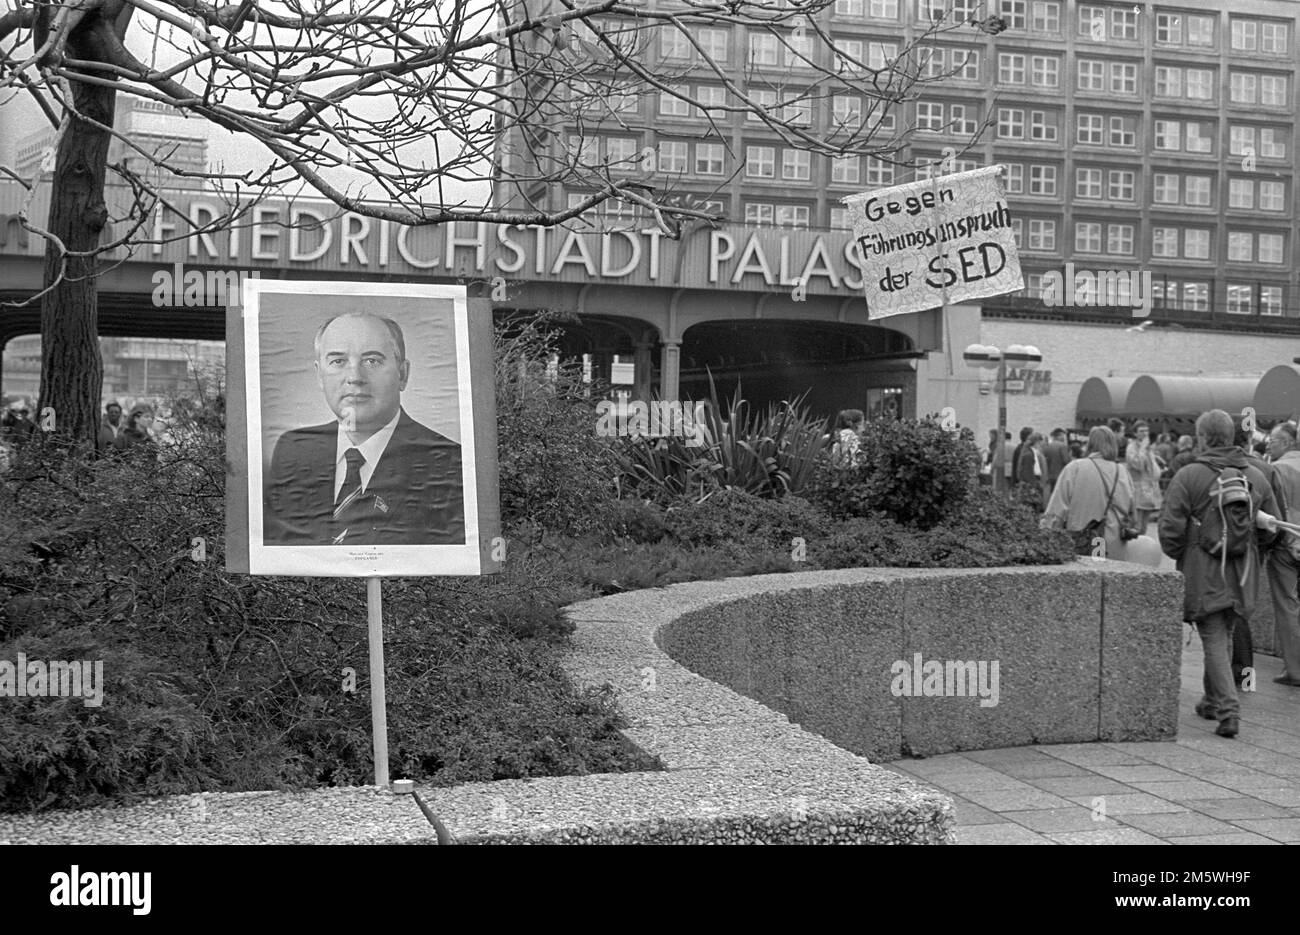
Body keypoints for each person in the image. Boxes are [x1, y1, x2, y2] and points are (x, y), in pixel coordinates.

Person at [263, 311, 464, 546]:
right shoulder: (294, 450)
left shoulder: (449, 462)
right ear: (319, 375)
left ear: (402, 374)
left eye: (372, 361)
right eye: (338, 361)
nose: (354, 377)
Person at [1159, 409, 1280, 739]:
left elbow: (1170, 529)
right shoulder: (1256, 475)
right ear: (1232, 436)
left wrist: (1183, 552)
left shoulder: (1189, 475)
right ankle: (1212, 700)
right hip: (1243, 571)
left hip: (1204, 566)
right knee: (1224, 630)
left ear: (1201, 437)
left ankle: (1228, 710)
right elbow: (1272, 530)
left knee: (1212, 634)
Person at [1041, 425, 1136, 557]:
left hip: (1081, 541)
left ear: (1090, 444)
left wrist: (1045, 537)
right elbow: (1133, 515)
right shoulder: (1123, 472)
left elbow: (1056, 510)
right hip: (1114, 544)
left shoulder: (1075, 468)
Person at [1264, 422, 1300, 687]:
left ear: (1287, 443)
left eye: (1273, 440)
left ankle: (1295, 669)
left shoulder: (1277, 469)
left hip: (1286, 544)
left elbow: (1273, 512)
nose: (1268, 443)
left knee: (1287, 605)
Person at [1126, 421, 1164, 533]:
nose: (1145, 433)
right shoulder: (1132, 447)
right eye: (1141, 431)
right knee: (1136, 527)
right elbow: (1137, 465)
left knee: (1144, 528)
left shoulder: (1148, 449)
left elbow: (1152, 469)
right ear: (1135, 433)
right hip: (1137, 491)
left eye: (1146, 431)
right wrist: (1142, 448)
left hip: (1149, 491)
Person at [1016, 432, 1048, 508]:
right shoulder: (1029, 454)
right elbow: (1027, 472)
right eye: (1040, 442)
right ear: (1037, 442)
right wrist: (1033, 485)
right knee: (1030, 506)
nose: (1041, 444)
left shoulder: (1030, 452)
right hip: (1030, 483)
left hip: (1031, 482)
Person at [1043, 428, 1070, 498]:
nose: (1064, 438)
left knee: (1051, 494)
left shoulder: (1047, 446)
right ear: (1059, 436)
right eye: (1063, 436)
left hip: (1049, 475)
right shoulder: (1062, 446)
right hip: (1060, 474)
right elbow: (1066, 461)